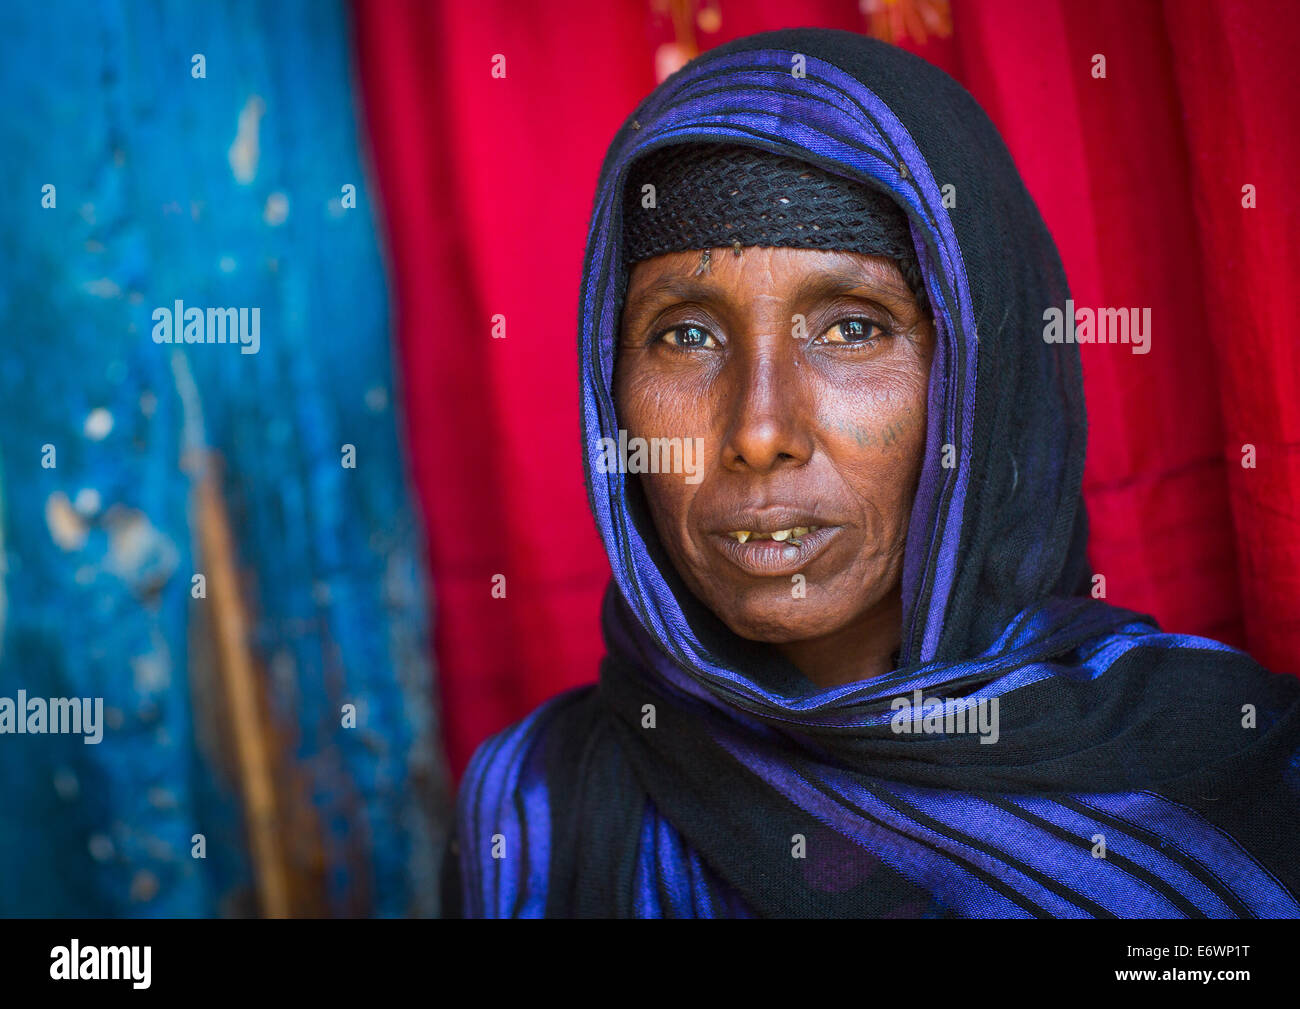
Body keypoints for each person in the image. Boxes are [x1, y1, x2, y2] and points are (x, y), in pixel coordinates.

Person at [444, 27, 1300, 918]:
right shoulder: (535, 809)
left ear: (979, 376)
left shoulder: (1225, 778)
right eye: (685, 334)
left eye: (853, 327)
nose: (759, 430)